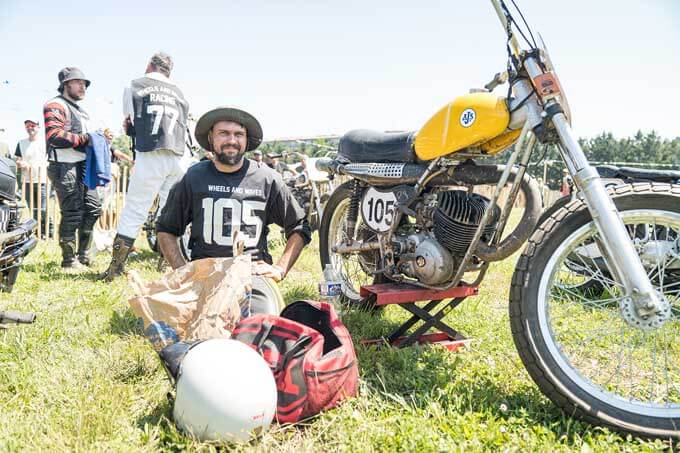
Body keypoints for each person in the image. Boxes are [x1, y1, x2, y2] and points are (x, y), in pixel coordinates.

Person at [156, 107, 311, 314]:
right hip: (205, 275)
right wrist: (183, 271)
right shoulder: (194, 177)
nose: (232, 140)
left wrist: (280, 268)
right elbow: (166, 229)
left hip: (252, 276)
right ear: (211, 138)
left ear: (247, 140)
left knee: (261, 325)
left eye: (238, 134)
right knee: (194, 329)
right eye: (224, 133)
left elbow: (300, 227)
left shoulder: (267, 178)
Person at [100, 52, 191, 281]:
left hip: (152, 152)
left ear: (150, 65)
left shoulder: (135, 85)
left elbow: (130, 122)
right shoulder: (181, 93)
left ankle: (115, 268)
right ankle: (166, 264)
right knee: (170, 212)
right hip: (180, 155)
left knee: (135, 209)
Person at [44, 67, 108, 270]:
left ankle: (84, 255)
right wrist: (86, 138)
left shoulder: (82, 111)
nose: (83, 87)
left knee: (93, 208)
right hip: (63, 165)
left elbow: (87, 140)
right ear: (66, 84)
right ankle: (69, 261)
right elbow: (54, 135)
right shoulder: (56, 104)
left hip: (82, 165)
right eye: (78, 82)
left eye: (84, 83)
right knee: (72, 212)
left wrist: (101, 140)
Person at [15, 119, 49, 236]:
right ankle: (38, 232)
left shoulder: (45, 143)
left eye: (33, 126)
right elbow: (18, 159)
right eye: (28, 126)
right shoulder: (21, 143)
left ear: (38, 127)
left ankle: (48, 230)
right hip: (27, 181)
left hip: (42, 179)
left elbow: (51, 159)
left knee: (43, 209)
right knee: (33, 209)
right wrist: (20, 163)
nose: (30, 128)